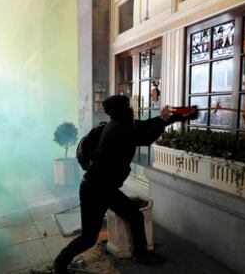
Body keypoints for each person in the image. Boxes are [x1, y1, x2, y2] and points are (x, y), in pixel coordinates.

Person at [54, 95, 198, 273]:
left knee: (134, 216)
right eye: (128, 106)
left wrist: (177, 116)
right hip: (96, 189)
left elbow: (145, 125)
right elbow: (145, 137)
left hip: (102, 187)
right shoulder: (118, 130)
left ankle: (141, 253)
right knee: (88, 237)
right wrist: (163, 120)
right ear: (122, 110)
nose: (131, 109)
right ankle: (60, 263)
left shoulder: (119, 124)